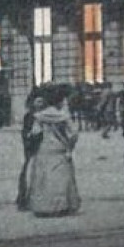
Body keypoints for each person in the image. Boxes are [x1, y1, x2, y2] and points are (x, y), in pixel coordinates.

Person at [26, 85, 80, 217]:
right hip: (60, 148)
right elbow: (74, 133)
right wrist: (69, 146)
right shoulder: (63, 116)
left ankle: (44, 206)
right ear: (59, 101)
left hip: (44, 148)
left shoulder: (39, 116)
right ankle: (62, 205)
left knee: (44, 178)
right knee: (61, 178)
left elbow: (35, 132)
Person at [15, 93, 45, 211]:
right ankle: (22, 199)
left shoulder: (44, 115)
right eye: (38, 101)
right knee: (26, 174)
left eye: (42, 101)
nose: (40, 104)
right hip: (31, 148)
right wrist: (29, 139)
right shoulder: (29, 116)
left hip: (41, 147)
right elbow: (25, 132)